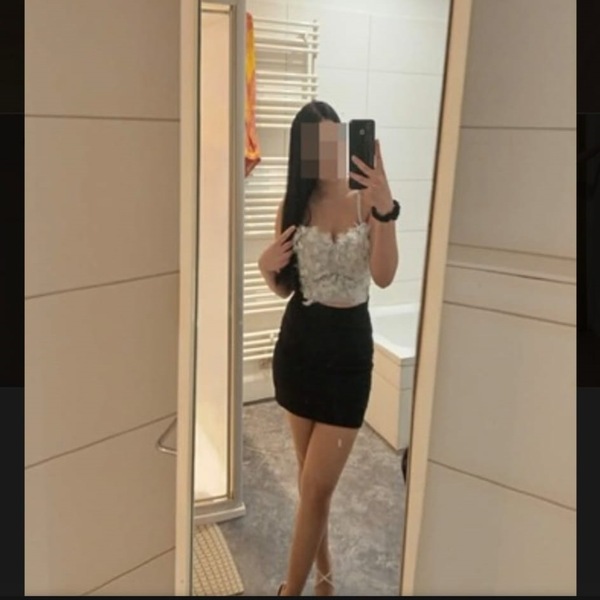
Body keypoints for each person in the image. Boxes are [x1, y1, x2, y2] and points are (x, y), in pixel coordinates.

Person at [257, 100, 400, 596]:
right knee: (310, 485)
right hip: (299, 350)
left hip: (348, 359)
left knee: (317, 487)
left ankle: (289, 591)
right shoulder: (292, 206)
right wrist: (264, 267)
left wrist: (385, 208)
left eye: (333, 139)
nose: (327, 151)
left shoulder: (367, 201)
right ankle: (325, 581)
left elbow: (384, 276)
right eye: (315, 143)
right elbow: (284, 287)